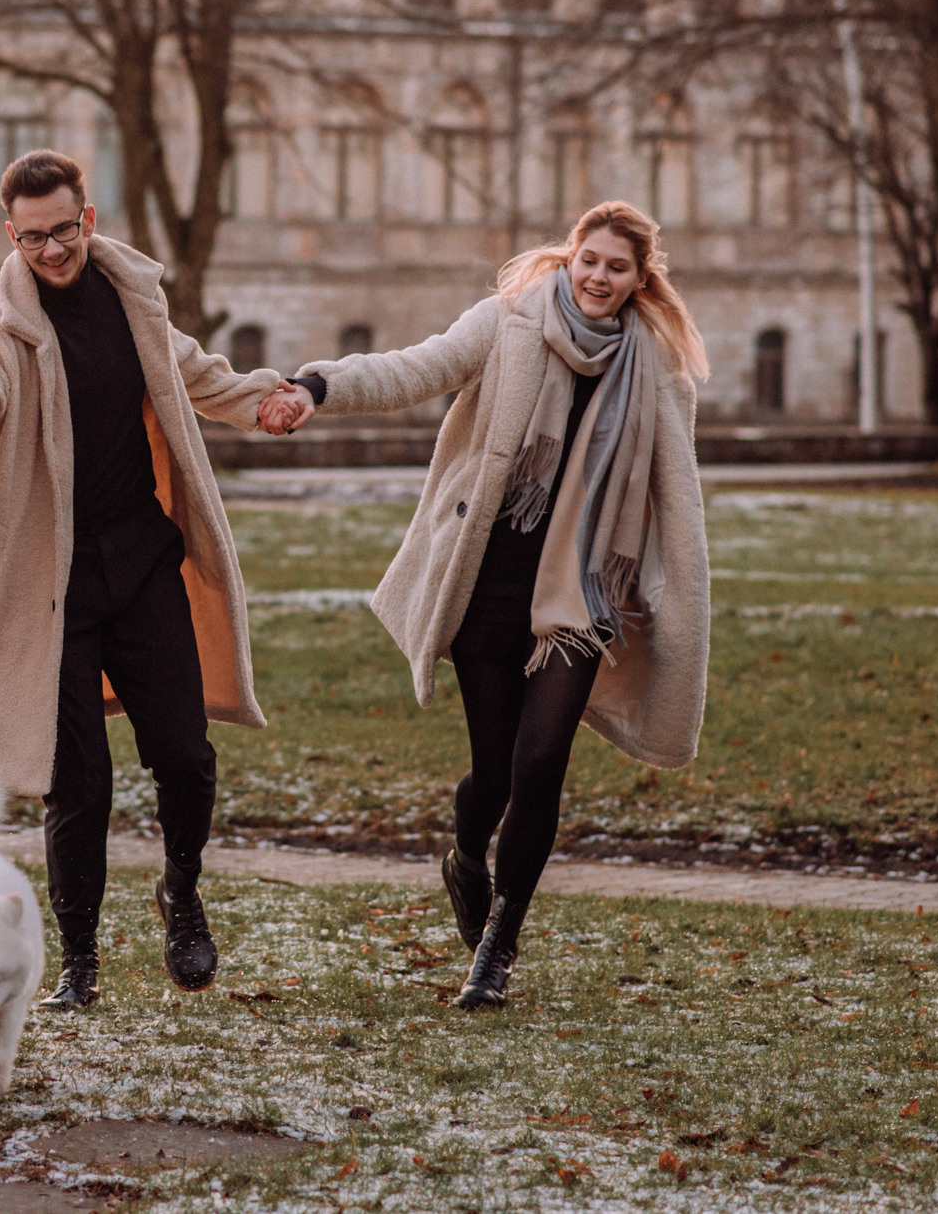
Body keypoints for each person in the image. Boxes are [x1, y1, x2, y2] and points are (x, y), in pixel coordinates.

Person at [256, 201, 710, 1010]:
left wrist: (675, 597)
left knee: (542, 765)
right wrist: (318, 386)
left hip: (580, 593)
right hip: (489, 585)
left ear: (642, 281)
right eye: (590, 260)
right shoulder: (508, 323)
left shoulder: (658, 367)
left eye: (618, 267)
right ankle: (467, 852)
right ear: (570, 258)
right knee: (496, 774)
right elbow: (415, 368)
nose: (600, 277)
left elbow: (678, 495)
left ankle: (498, 945)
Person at [0, 148, 279, 1011]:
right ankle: (78, 962)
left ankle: (181, 894)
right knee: (78, 782)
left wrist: (268, 398)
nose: (52, 250)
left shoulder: (133, 298)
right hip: (53, 583)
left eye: (65, 229)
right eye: (33, 236)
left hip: (143, 564)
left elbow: (200, 379)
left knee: (186, 757)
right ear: (13, 235)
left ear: (89, 217)